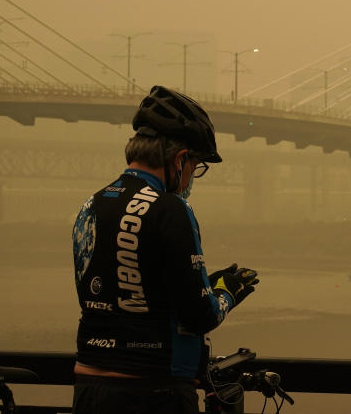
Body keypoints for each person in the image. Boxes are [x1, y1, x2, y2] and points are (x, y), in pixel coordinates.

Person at [71, 85, 259, 413]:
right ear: (180, 159)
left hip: (89, 385)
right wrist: (227, 293)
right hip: (154, 389)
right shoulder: (169, 208)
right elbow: (201, 316)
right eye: (196, 166)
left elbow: (125, 293)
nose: (191, 178)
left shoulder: (92, 204)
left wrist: (203, 285)